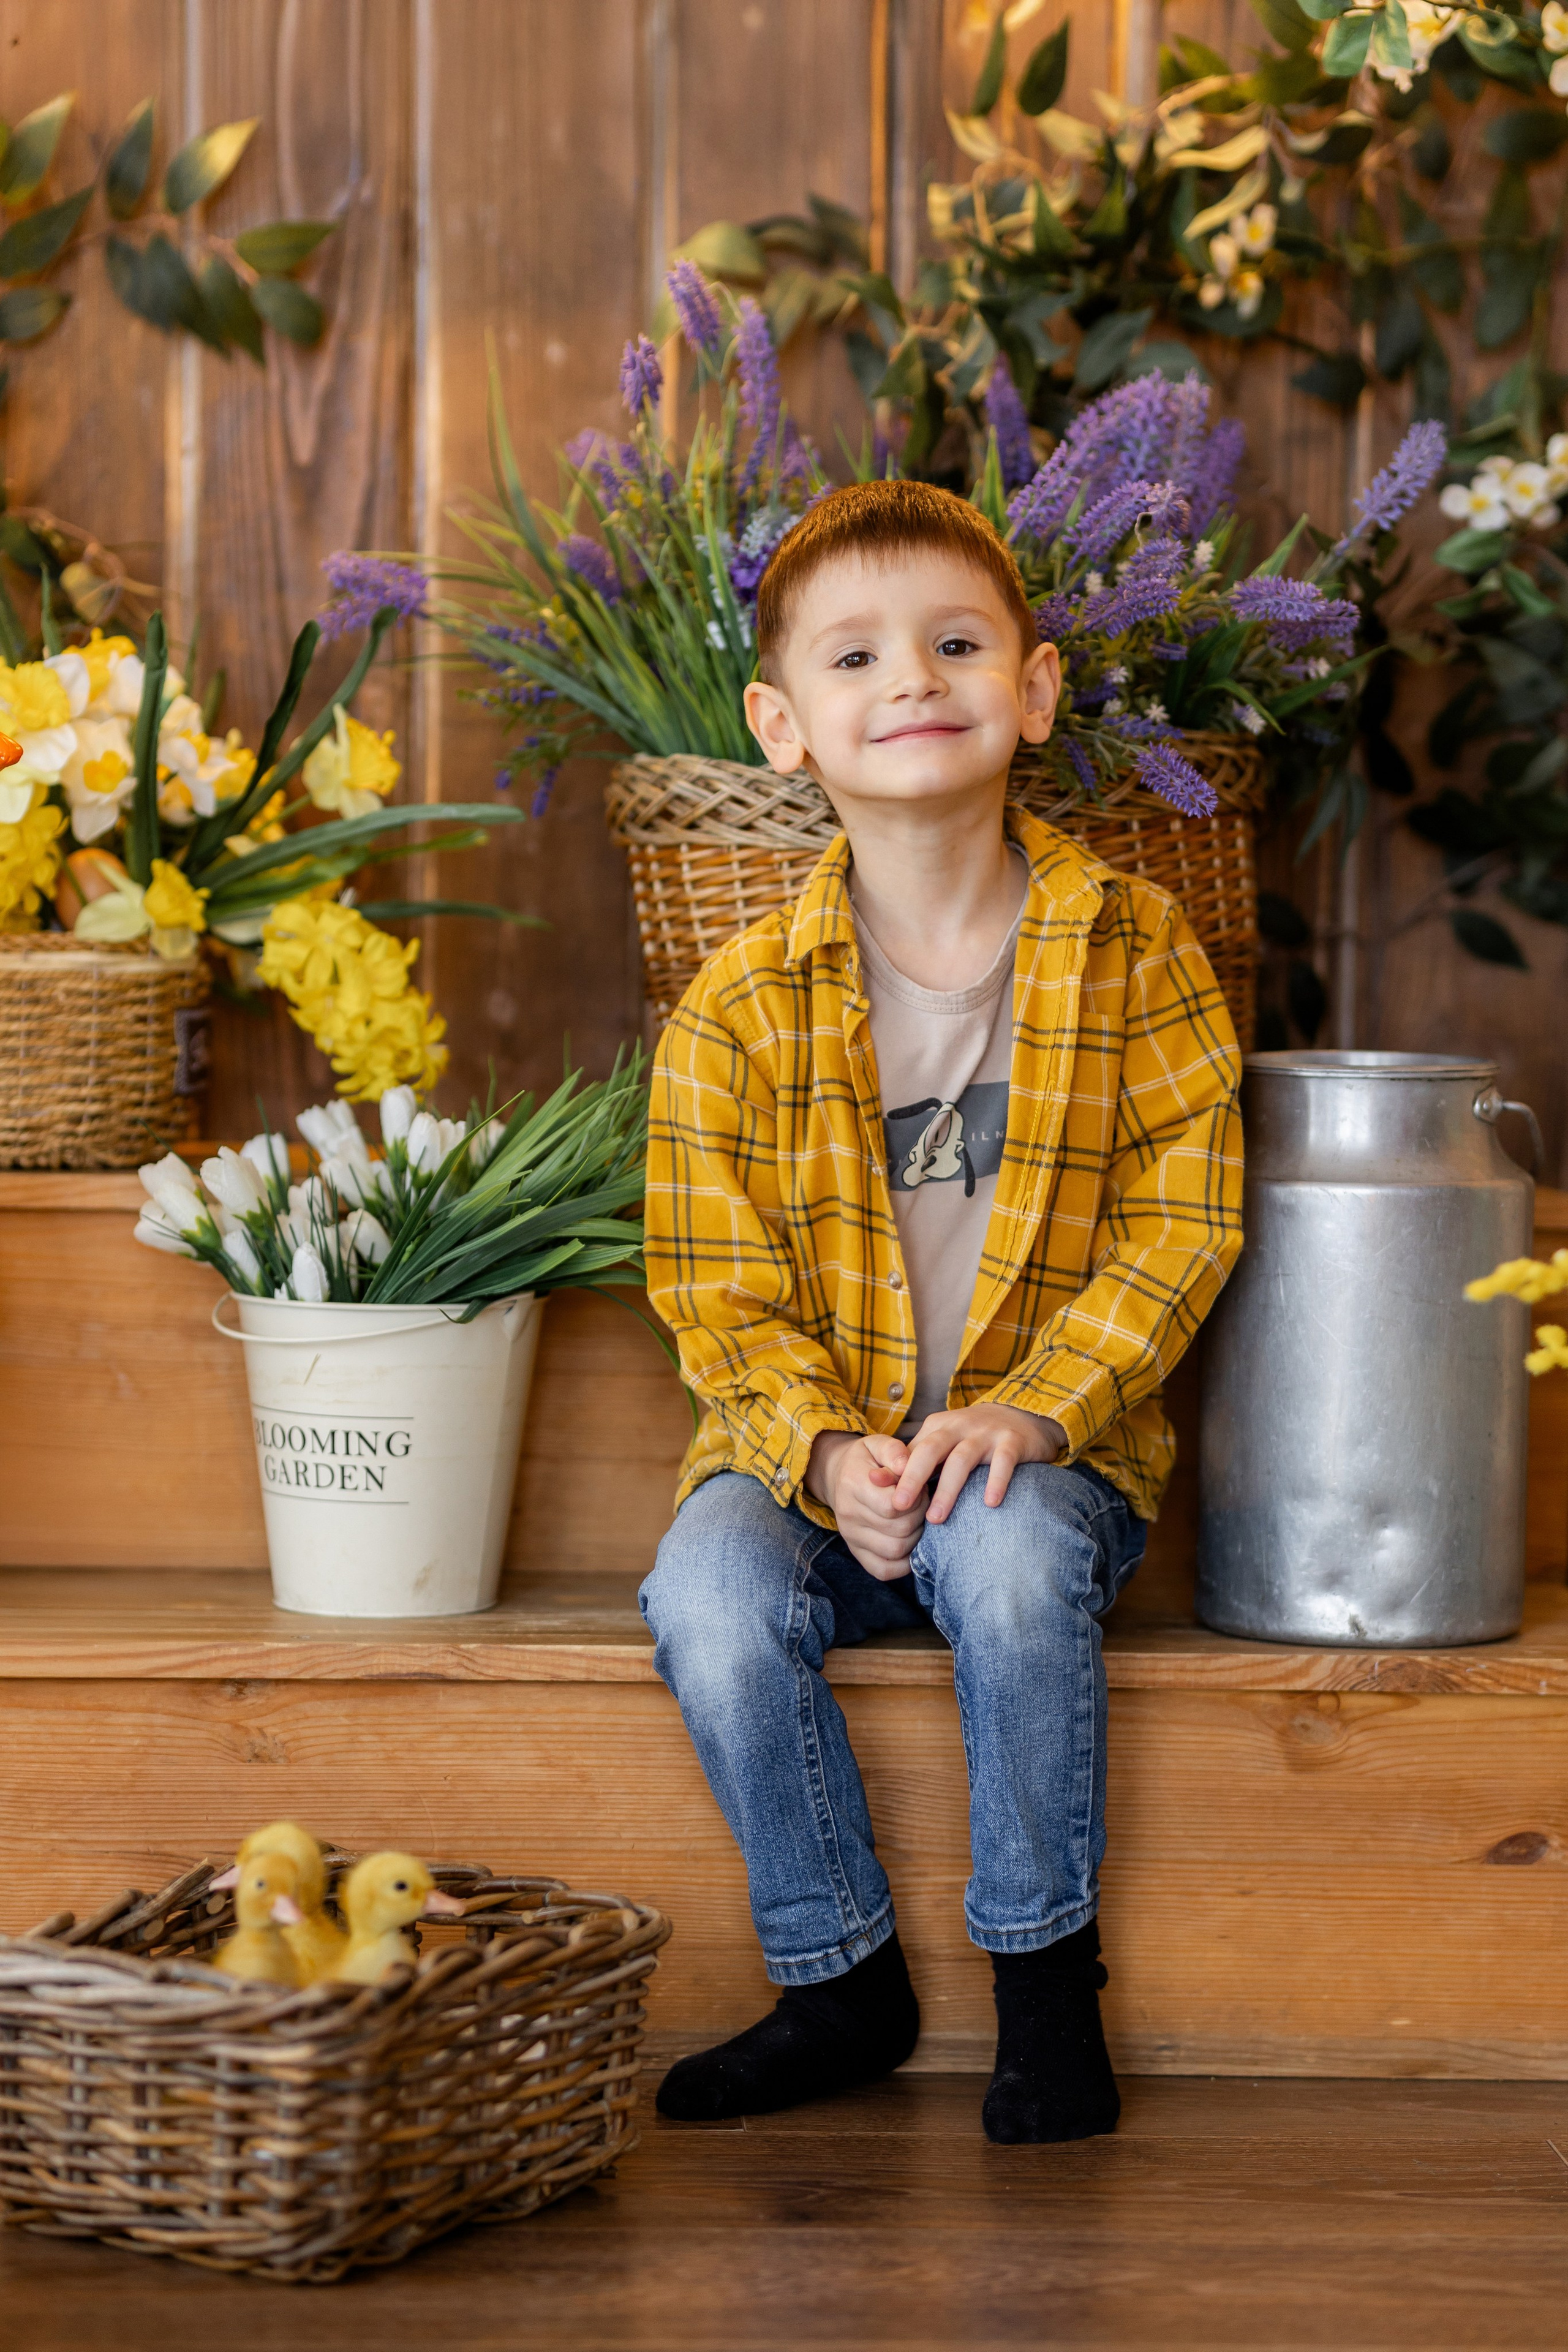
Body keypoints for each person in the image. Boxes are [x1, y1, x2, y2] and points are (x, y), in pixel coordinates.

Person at [640, 478, 1243, 2142]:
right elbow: (713, 1287)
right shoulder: (739, 1007)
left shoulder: (1134, 949)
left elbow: (1182, 1224)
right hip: (811, 1469)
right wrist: (827, 1451)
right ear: (783, 726)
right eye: (856, 656)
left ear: (1035, 689)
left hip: (1046, 1460)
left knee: (1014, 1560)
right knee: (706, 1592)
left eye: (957, 644)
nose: (912, 677)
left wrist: (1038, 1410)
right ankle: (839, 1978)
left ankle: (1046, 1987)